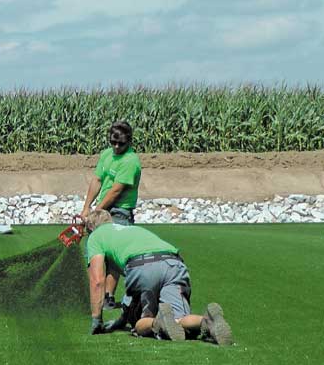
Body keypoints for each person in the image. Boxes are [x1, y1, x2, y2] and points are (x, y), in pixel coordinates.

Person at [82, 209, 233, 346]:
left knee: (140, 323)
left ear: (91, 228)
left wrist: (97, 320)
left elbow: (97, 281)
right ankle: (208, 321)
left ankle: (157, 321)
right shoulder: (131, 229)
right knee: (178, 320)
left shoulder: (95, 237)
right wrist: (120, 321)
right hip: (174, 263)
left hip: (142, 266)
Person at [79, 121, 141, 310]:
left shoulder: (131, 161)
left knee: (113, 257)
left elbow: (116, 191)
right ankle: (94, 294)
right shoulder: (106, 155)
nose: (116, 147)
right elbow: (97, 180)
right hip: (101, 208)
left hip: (120, 210)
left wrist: (96, 212)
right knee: (95, 251)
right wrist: (86, 208)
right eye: (113, 142)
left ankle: (108, 296)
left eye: (120, 144)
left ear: (129, 141)